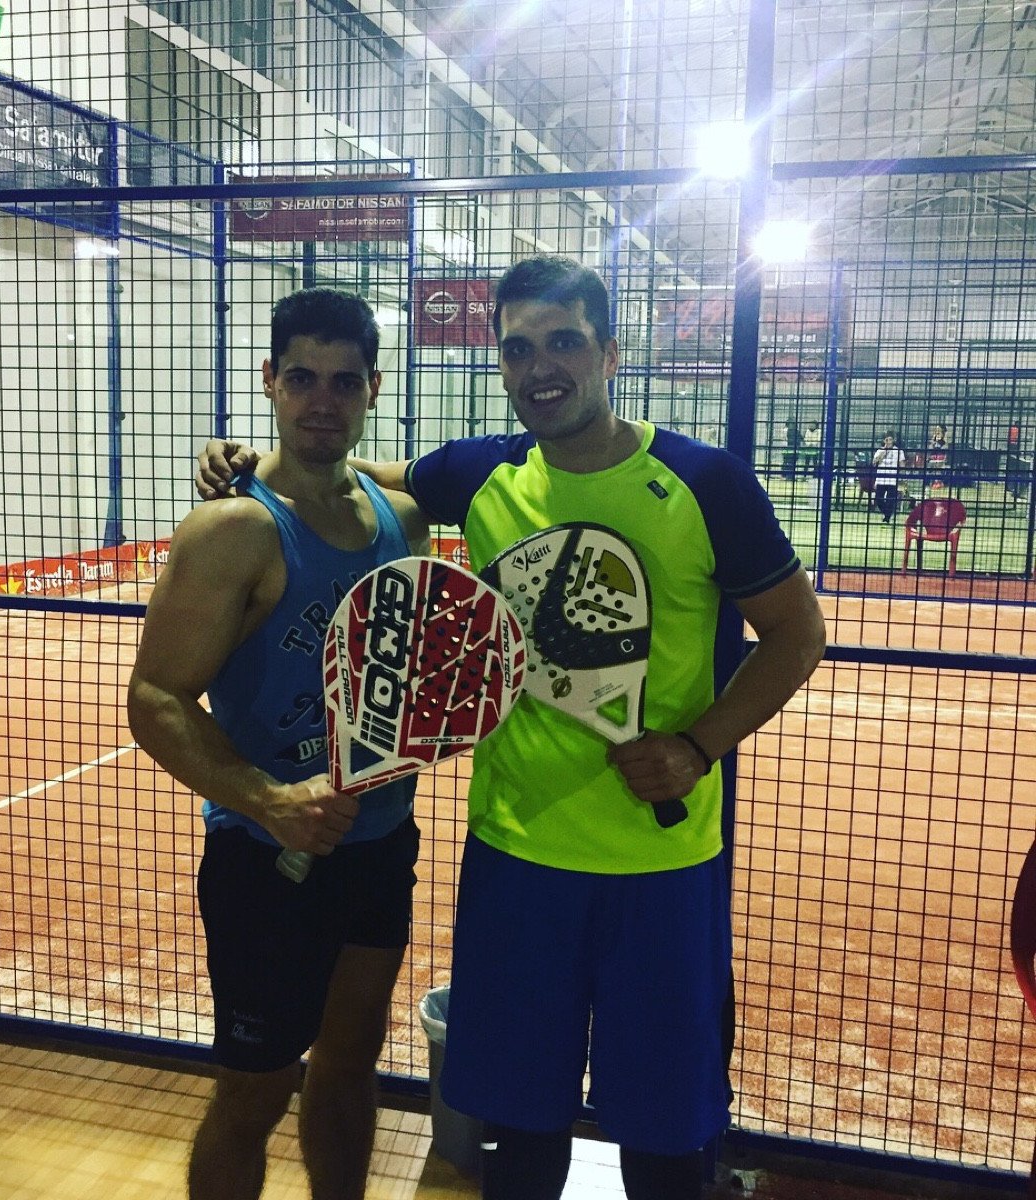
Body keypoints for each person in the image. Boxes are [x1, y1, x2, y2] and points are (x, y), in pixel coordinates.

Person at [196, 256, 827, 1200]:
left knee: (665, 1144)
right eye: (519, 349)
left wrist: (698, 747)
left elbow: (798, 634)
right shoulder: (481, 473)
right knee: (521, 1140)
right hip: (516, 861)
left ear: (609, 353)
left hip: (662, 871)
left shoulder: (706, 482)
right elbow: (352, 472)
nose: (542, 368)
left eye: (564, 342)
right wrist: (243, 460)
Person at [129, 287, 429, 1200]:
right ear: (270, 381)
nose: (322, 401)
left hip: (379, 844)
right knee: (254, 1092)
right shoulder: (234, 529)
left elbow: (395, 678)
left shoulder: (404, 521)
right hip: (266, 862)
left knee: (349, 1063)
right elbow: (155, 699)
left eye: (344, 381)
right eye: (302, 378)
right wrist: (269, 801)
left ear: (374, 388)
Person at [871, 431, 904, 522]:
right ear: (883, 440)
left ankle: (887, 518)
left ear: (893, 440)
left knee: (890, 500)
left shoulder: (898, 451)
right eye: (886, 440)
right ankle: (887, 513)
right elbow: (875, 462)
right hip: (881, 479)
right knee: (878, 499)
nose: (888, 442)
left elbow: (902, 465)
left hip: (892, 479)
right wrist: (884, 451)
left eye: (890, 440)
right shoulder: (880, 451)